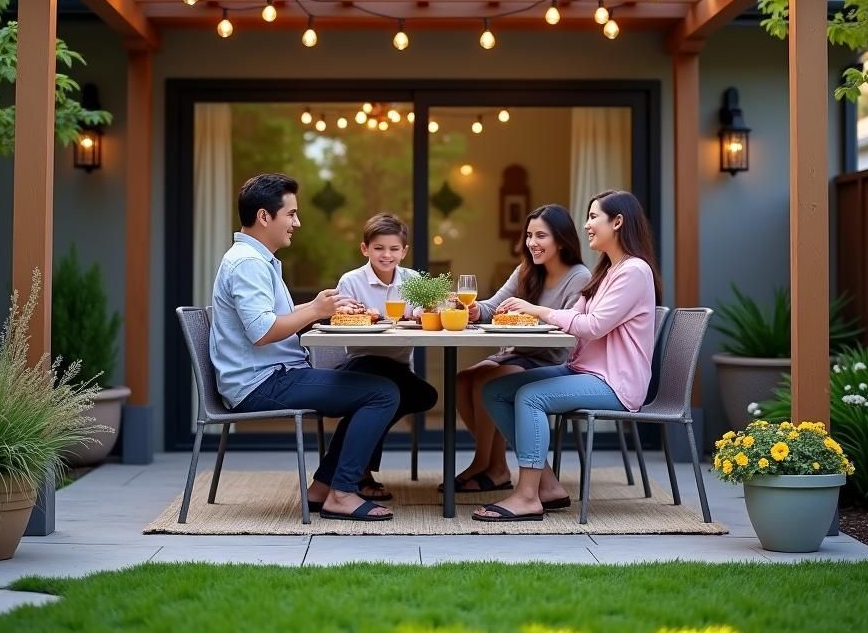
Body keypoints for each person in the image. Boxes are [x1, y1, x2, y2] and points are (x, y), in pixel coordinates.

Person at [208, 172, 400, 522]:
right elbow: (262, 331)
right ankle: (342, 493)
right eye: (291, 214)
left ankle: (324, 487)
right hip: (262, 383)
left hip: (272, 375)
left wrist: (317, 306)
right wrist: (314, 311)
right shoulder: (248, 263)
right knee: (382, 393)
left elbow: (269, 317)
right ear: (265, 216)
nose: (297, 222)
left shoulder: (255, 258)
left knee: (374, 377)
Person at [473, 190, 661, 522]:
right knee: (495, 390)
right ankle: (546, 484)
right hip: (584, 372)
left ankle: (527, 495)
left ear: (617, 222)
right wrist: (535, 315)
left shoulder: (633, 272)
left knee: (529, 397)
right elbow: (573, 319)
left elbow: (593, 326)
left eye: (593, 217)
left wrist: (538, 310)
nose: (587, 225)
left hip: (614, 383)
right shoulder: (606, 270)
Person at [443, 204, 590, 495]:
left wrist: (532, 313)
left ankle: (484, 463)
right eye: (529, 235)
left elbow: (570, 328)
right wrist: (474, 310)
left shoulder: (579, 277)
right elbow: (493, 306)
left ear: (561, 240)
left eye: (541, 236)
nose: (532, 243)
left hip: (552, 359)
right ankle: (495, 466)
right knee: (463, 380)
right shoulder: (525, 270)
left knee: (489, 381)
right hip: (517, 353)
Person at [333, 212, 438, 501]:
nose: (386, 255)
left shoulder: (413, 280)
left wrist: (420, 313)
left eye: (394, 249)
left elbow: (428, 313)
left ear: (404, 251)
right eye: (379, 248)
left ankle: (360, 464)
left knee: (424, 395)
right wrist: (365, 316)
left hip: (399, 368)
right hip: (362, 364)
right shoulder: (352, 281)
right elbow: (343, 320)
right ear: (365, 249)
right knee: (384, 394)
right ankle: (362, 472)